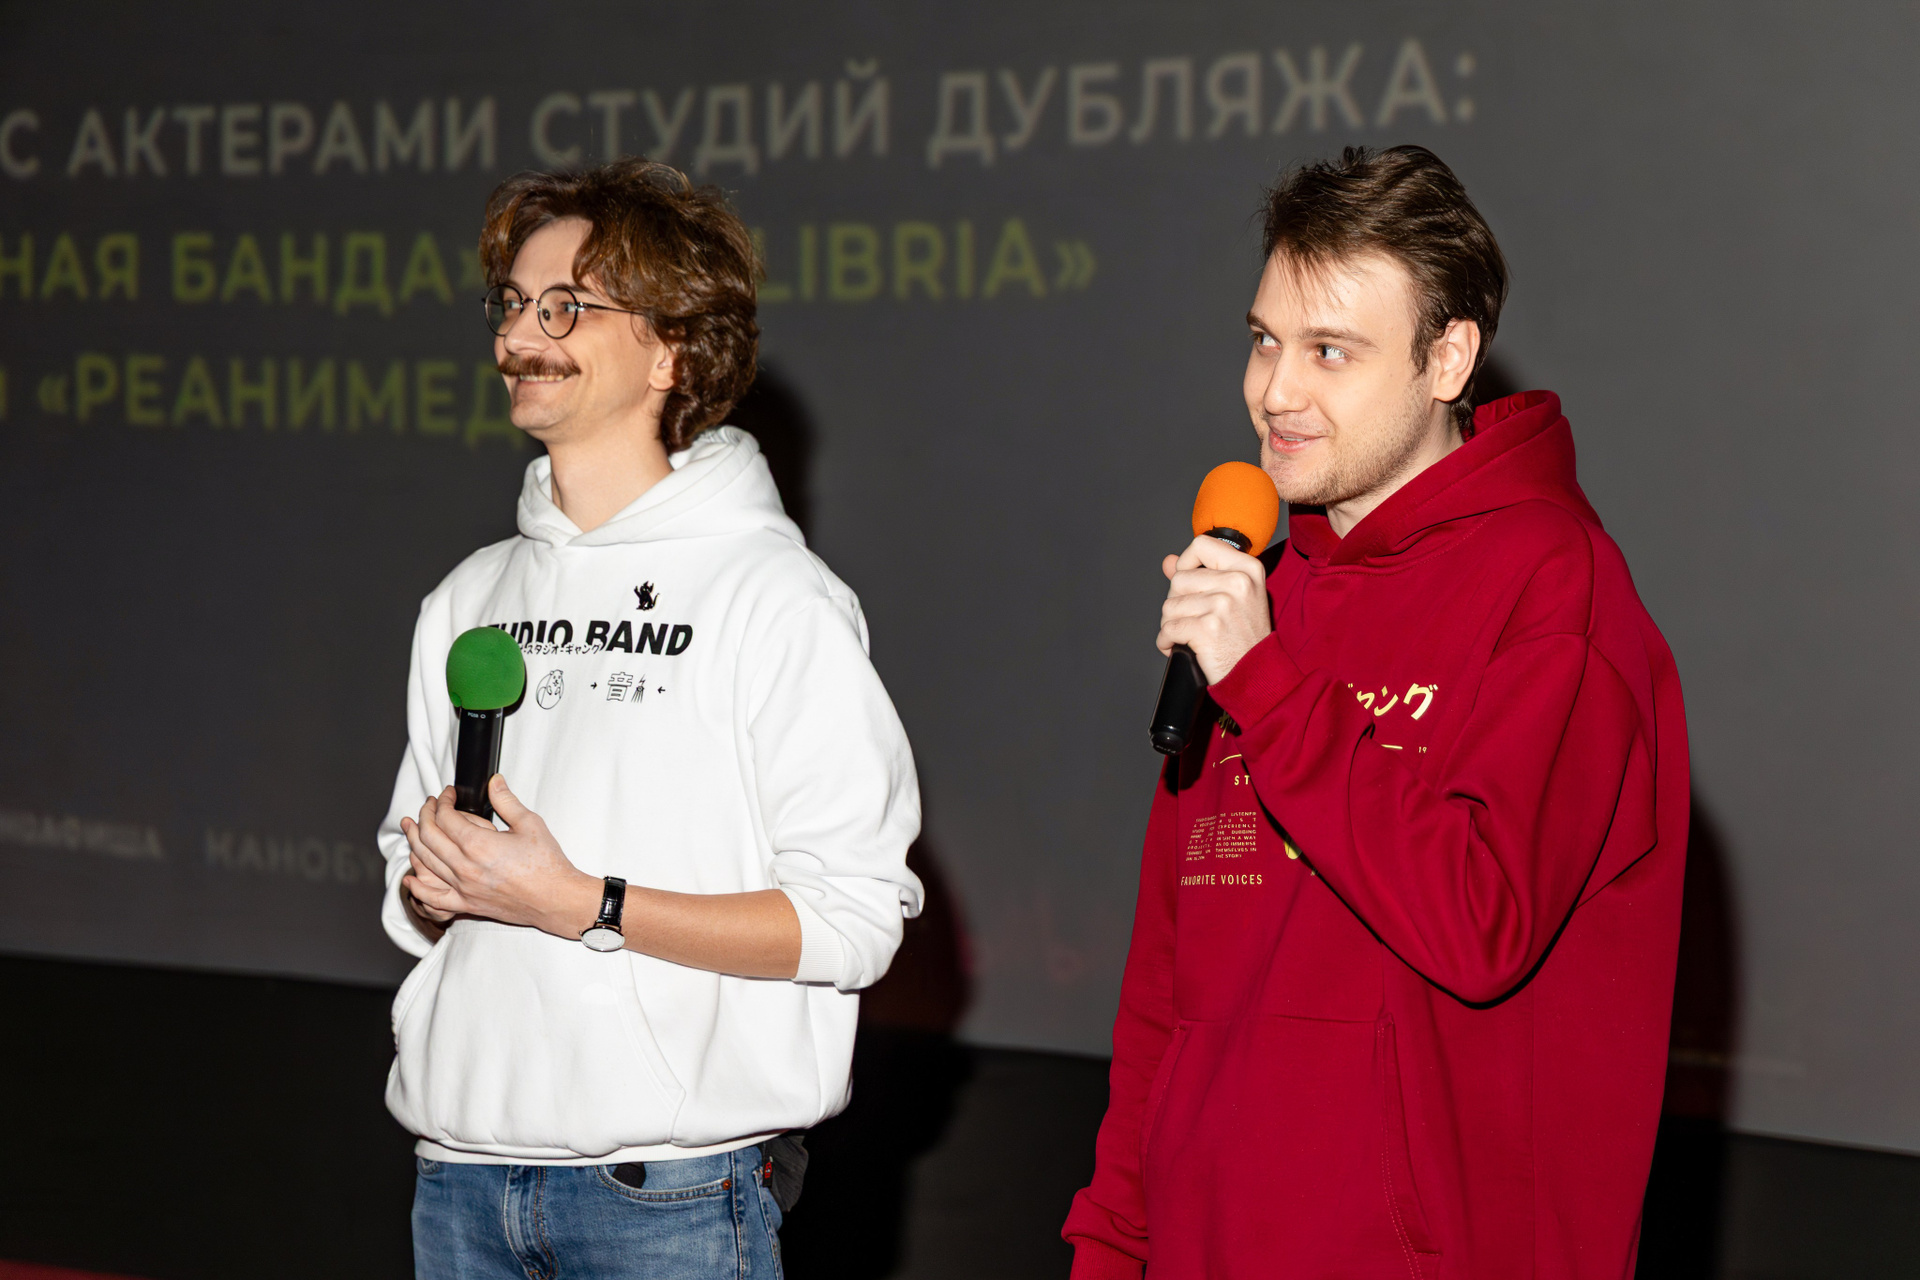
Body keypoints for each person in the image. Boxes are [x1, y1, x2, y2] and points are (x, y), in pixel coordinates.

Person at [1063, 145, 1688, 1278]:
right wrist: (1111, 1246)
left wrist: (1269, 688)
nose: (1275, 392)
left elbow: (1480, 923)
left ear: (1448, 357)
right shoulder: (1259, 593)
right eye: (1265, 340)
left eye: (1330, 351)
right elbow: (1169, 988)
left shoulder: (1555, 587)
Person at [377, 158, 922, 1280]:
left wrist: (584, 903)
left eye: (565, 306)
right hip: (460, 1183)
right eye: (512, 304)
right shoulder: (468, 598)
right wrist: (433, 882)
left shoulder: (775, 598)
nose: (519, 335)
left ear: (671, 349)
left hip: (666, 1195)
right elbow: (408, 884)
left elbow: (853, 920)